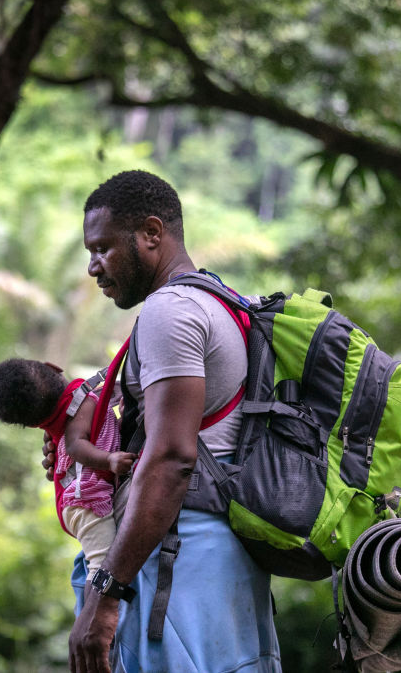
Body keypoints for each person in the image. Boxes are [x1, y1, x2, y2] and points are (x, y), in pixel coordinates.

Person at [60, 170, 281, 673]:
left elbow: (172, 457)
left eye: (102, 248)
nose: (93, 267)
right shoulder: (226, 301)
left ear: (152, 234)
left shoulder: (170, 310)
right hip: (225, 560)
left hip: (179, 561)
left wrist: (107, 592)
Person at [0, 358, 136, 581]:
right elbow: (76, 446)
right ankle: (97, 614)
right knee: (103, 572)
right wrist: (110, 460)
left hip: (78, 503)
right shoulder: (80, 404)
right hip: (85, 502)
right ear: (54, 367)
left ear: (32, 424)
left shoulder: (80, 399)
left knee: (103, 569)